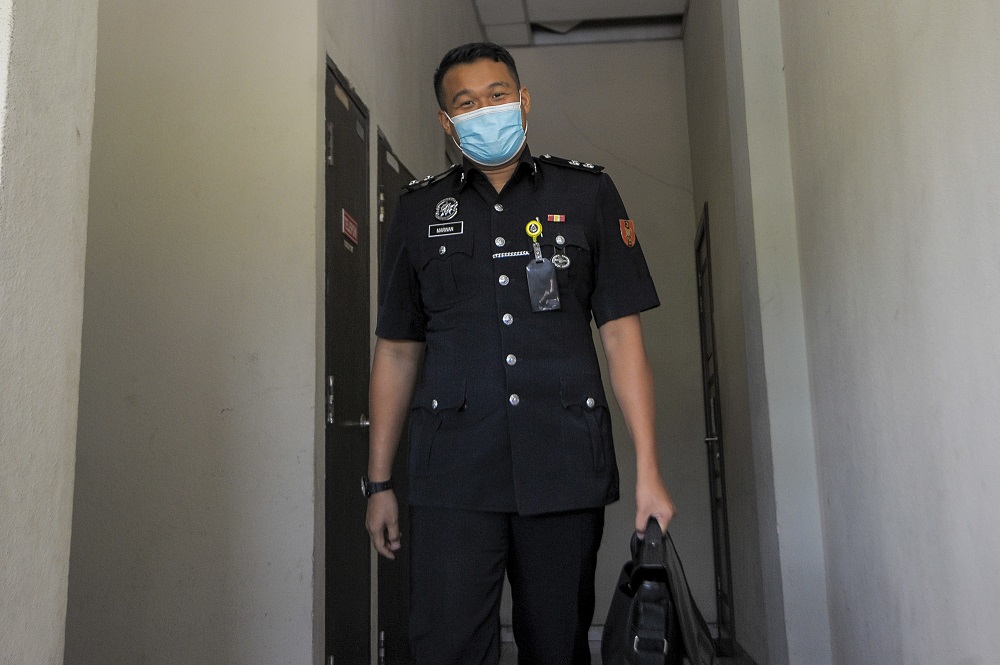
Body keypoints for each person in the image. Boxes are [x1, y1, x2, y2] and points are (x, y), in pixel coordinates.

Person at [364, 42, 675, 665]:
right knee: (447, 649)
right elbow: (398, 351)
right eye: (467, 103)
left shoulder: (587, 194)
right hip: (452, 472)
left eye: (498, 95)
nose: (486, 109)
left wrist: (649, 470)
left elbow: (620, 336)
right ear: (447, 123)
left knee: (557, 647)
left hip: (563, 466)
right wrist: (378, 482)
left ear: (524, 100)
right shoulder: (419, 210)